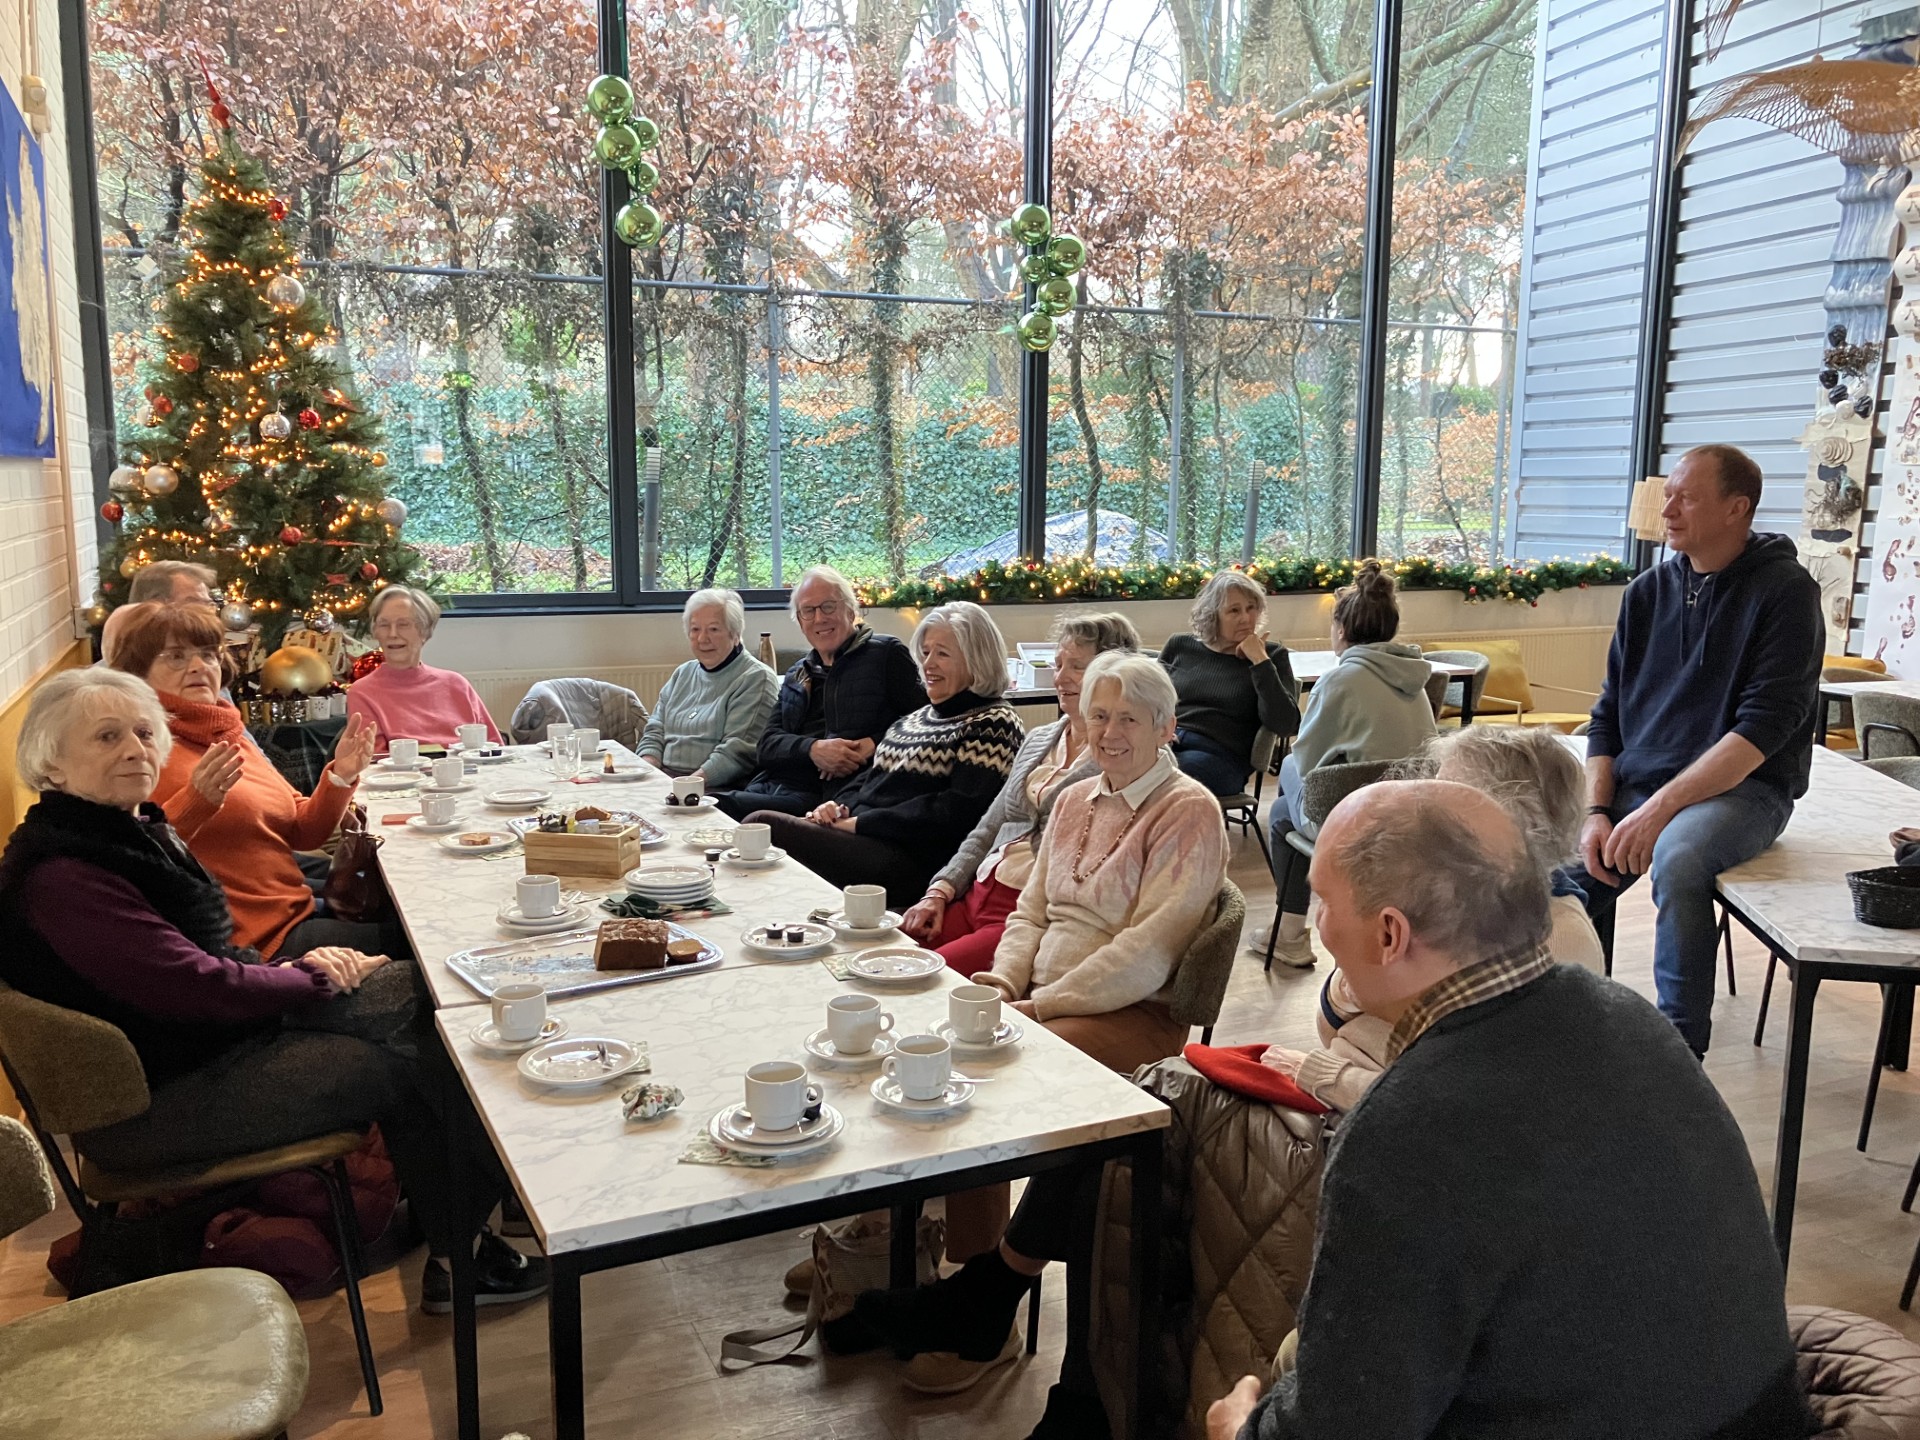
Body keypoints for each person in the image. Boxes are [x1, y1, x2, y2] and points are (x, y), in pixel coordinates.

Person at [1206, 780, 1810, 1440]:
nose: (1317, 924)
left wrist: (1241, 1432)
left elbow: (1345, 1425)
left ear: (1389, 934)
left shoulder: (1408, 1127)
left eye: (1323, 901)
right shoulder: (1628, 1016)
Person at [0, 668, 543, 1313]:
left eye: (145, 732)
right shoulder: (66, 873)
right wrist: (306, 974)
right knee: (411, 1050)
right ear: (51, 765)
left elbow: (209, 964)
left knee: (429, 998)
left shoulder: (123, 827)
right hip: (152, 1103)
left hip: (206, 1043)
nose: (135, 749)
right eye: (107, 736)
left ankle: (468, 1219)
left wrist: (306, 965)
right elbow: (193, 985)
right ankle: (465, 1253)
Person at [839, 651, 1229, 1421]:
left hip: (1134, 1014)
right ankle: (966, 1272)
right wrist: (1004, 985)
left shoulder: (1189, 810)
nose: (1110, 732)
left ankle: (986, 1311)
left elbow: (1151, 950)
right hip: (1047, 998)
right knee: (945, 1055)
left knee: (981, 1076)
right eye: (1098, 716)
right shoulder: (1078, 797)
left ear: (1166, 727)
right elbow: (1032, 913)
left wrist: (1043, 1007)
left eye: (1128, 718)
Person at [1568, 443, 1822, 1055]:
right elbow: (1607, 717)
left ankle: (1680, 1055)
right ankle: (1579, 1033)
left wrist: (1656, 813)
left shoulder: (1786, 593)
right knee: (1554, 875)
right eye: (1669, 493)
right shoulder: (1648, 591)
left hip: (1746, 791)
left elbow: (1763, 730)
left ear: (1737, 508)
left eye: (1686, 495)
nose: (1668, 506)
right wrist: (1597, 812)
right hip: (1640, 783)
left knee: (1679, 860)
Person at [1262, 725, 1605, 1113]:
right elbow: (1333, 1017)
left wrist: (1321, 1072)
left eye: (1440, 804)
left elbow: (1461, 1110)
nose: (1419, 813)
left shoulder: (1551, 944)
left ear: (1500, 828)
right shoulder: (1455, 901)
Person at [108, 602, 399, 961]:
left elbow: (303, 831)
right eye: (176, 657)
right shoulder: (142, 748)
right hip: (259, 942)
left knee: (416, 912)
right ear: (139, 674)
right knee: (423, 945)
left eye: (208, 655)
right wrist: (196, 801)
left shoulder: (226, 730)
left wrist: (341, 774)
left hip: (298, 910)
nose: (199, 666)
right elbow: (136, 860)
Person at [900, 611, 1140, 976]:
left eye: (1076, 666)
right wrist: (941, 891)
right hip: (978, 892)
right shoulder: (1040, 740)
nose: (1060, 678)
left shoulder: (1122, 758)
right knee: (888, 956)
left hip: (1028, 914)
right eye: (1058, 664)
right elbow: (989, 826)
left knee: (925, 978)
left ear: (1114, 677)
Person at [748, 601, 1024, 908]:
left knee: (763, 827)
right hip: (865, 840)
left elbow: (956, 811)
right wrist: (837, 808)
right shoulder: (916, 718)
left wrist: (861, 823)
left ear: (977, 661)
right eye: (927, 652)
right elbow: (871, 779)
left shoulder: (993, 722)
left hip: (912, 860)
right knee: (765, 839)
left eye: (943, 654)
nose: (928, 664)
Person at [1259, 560, 1436, 967]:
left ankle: (1289, 932)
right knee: (1291, 792)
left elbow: (1306, 758)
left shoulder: (1341, 680)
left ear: (1341, 629)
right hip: (1411, 818)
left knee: (1284, 806)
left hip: (1363, 823)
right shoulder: (1414, 677)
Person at [714, 566, 926, 819]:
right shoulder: (797, 673)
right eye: (808, 611)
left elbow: (924, 722)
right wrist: (814, 749)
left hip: (828, 797)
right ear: (800, 621)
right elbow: (766, 746)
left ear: (850, 610)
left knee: (715, 805)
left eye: (828, 606)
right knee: (701, 803)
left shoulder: (885, 654)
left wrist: (874, 743)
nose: (819, 619)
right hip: (774, 786)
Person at [1159, 570, 1299, 797]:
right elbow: (1148, 701)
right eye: (1234, 610)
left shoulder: (1272, 654)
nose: (1246, 618)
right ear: (1212, 615)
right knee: (1108, 766)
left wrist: (1260, 661)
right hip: (1166, 743)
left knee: (1160, 777)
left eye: (1251, 608)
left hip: (1221, 758)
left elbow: (1285, 724)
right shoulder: (1180, 645)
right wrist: (1156, 731)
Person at [636, 587, 779, 787]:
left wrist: (687, 785)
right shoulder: (683, 674)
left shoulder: (756, 678)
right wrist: (647, 773)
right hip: (665, 779)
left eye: (713, 629)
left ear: (735, 634)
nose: (703, 639)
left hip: (713, 787)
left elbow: (736, 753)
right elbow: (655, 730)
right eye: (695, 629)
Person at [346, 585, 500, 752]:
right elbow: (372, 762)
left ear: (424, 631)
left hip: (468, 774)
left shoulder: (456, 684)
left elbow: (494, 747)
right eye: (384, 625)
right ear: (375, 632)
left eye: (403, 624)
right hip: (404, 777)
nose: (392, 634)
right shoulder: (362, 692)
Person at [101, 561, 217, 664]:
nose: (207, 614)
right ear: (155, 606)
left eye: (209, 604)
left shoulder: (209, 665)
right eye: (194, 604)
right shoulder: (116, 683)